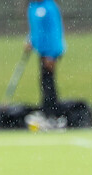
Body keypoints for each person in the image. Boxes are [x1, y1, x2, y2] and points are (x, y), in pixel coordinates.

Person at [25, 0, 66, 131]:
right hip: (41, 51)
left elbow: (54, 30)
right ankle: (46, 112)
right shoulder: (33, 7)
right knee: (44, 82)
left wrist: (52, 54)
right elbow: (36, 29)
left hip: (50, 52)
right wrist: (30, 41)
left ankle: (53, 116)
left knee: (48, 83)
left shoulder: (50, 7)